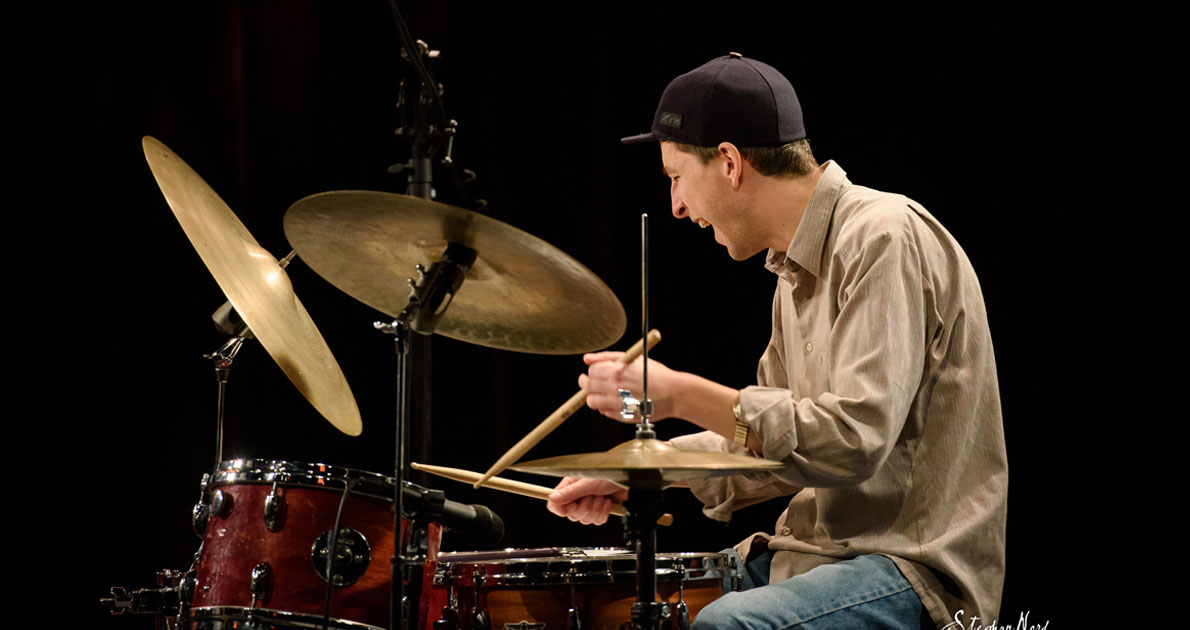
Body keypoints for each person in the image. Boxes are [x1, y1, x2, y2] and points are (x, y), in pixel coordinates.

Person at [546, 54, 1007, 630]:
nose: (678, 207)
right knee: (633, 607)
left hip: (907, 567)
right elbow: (772, 451)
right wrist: (647, 468)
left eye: (676, 178)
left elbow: (852, 439)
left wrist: (681, 394)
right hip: (816, 554)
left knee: (727, 624)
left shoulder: (883, 237)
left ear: (730, 163)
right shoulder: (793, 277)